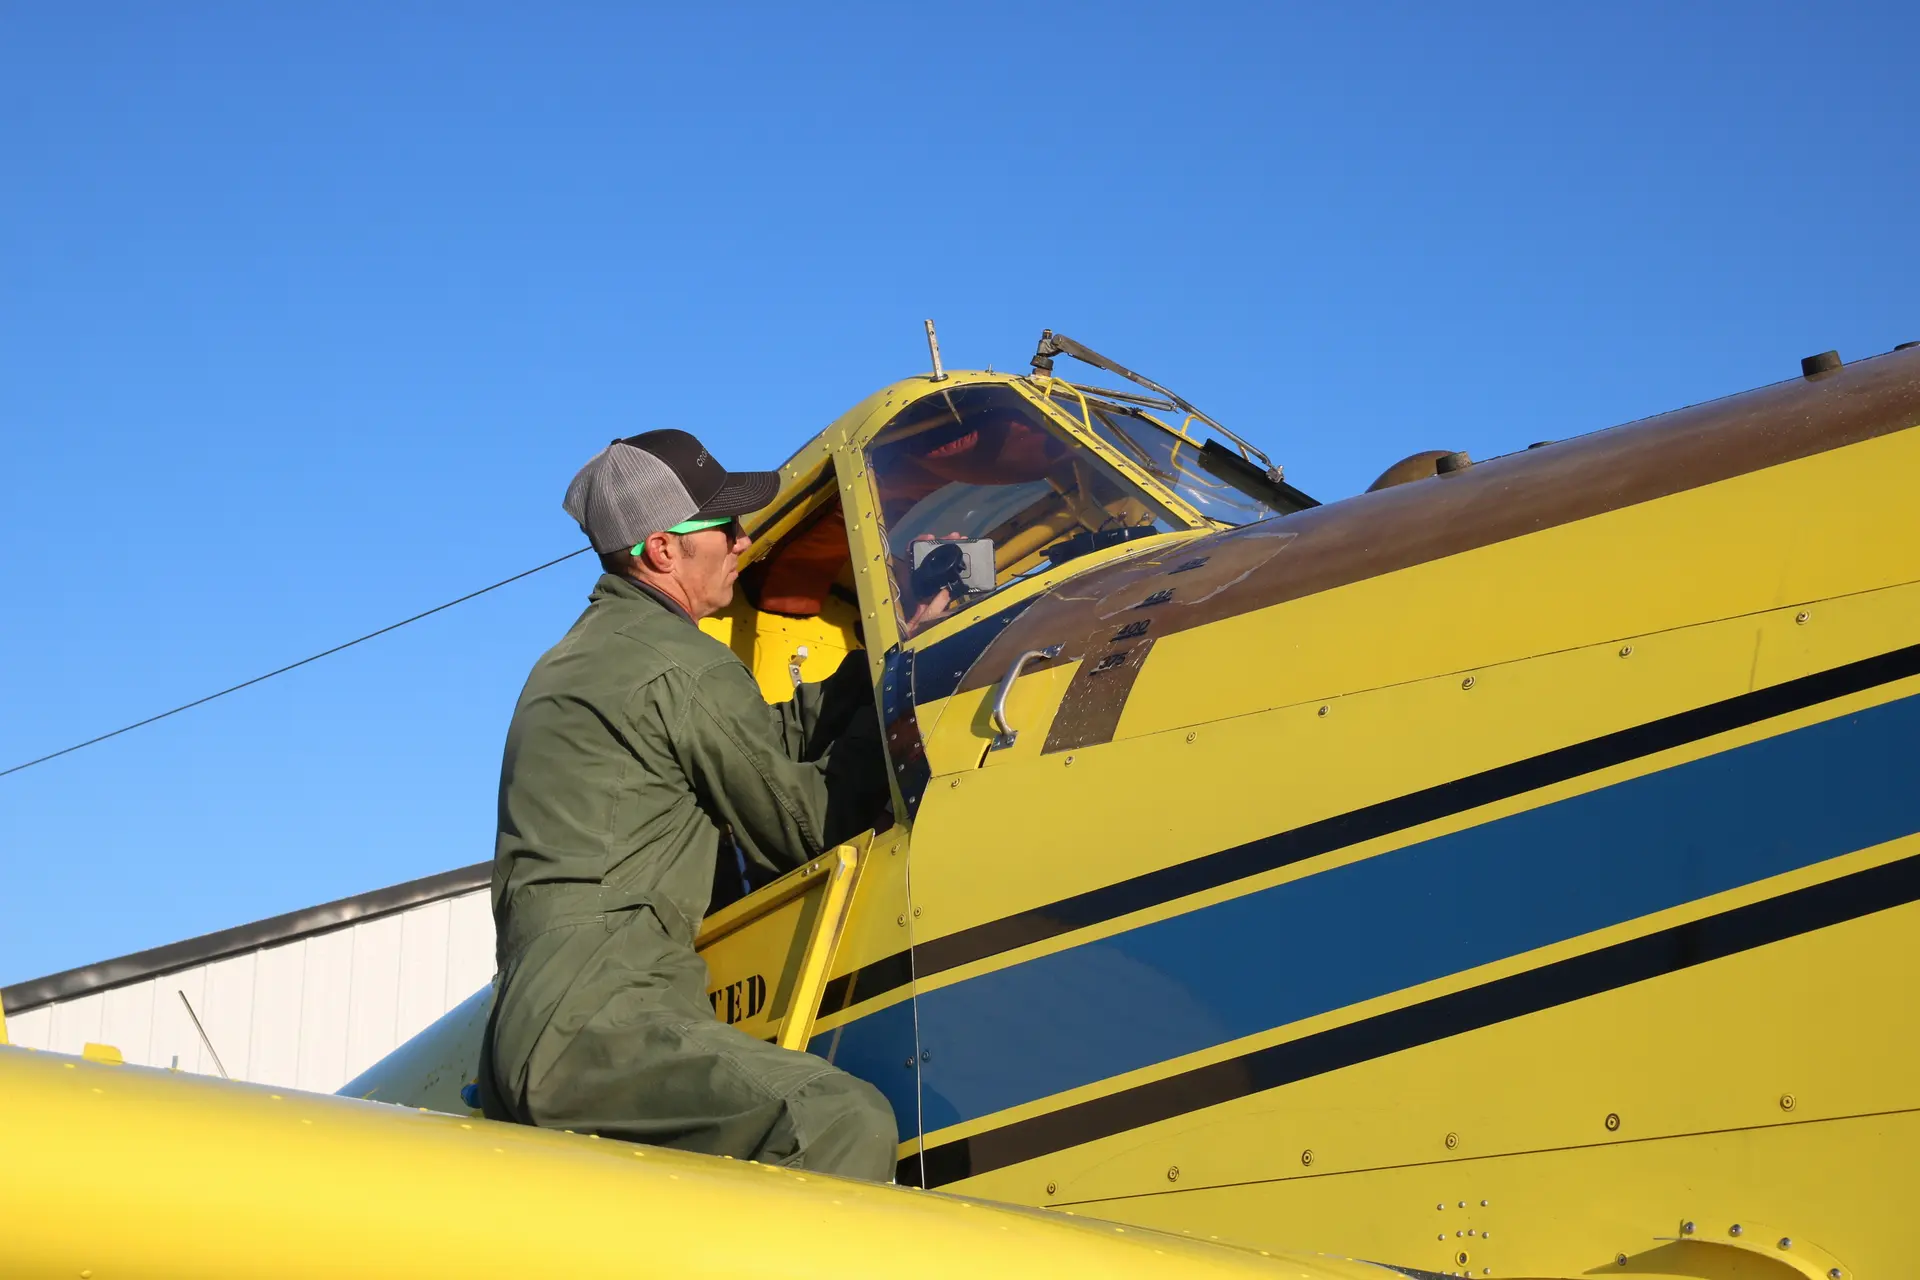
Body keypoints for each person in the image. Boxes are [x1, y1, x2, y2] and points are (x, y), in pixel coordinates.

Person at [478, 428, 897, 1181]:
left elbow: (752, 745)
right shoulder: (676, 664)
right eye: (723, 526)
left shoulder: (599, 652)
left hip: (555, 1017)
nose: (743, 541)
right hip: (602, 1017)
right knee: (836, 1121)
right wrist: (899, 686)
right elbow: (804, 825)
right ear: (662, 550)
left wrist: (863, 676)